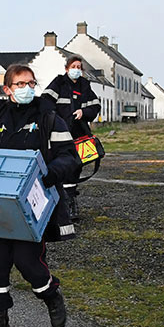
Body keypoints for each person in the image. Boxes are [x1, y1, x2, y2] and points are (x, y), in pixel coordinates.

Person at [0, 64, 79, 327]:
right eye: (20, 84)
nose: (27, 88)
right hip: (0, 205)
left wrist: (48, 174)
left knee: (26, 261)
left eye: (31, 83)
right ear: (7, 89)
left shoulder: (49, 118)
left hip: (34, 204)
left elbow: (70, 157)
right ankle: (0, 324)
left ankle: (51, 295)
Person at [40, 55, 100, 221]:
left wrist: (84, 112)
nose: (76, 70)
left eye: (79, 67)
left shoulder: (85, 86)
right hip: (59, 135)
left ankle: (70, 202)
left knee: (76, 167)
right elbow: (45, 102)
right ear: (67, 69)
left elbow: (95, 106)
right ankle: (62, 204)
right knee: (61, 167)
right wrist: (55, 121)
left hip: (79, 135)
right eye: (73, 66)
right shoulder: (58, 83)